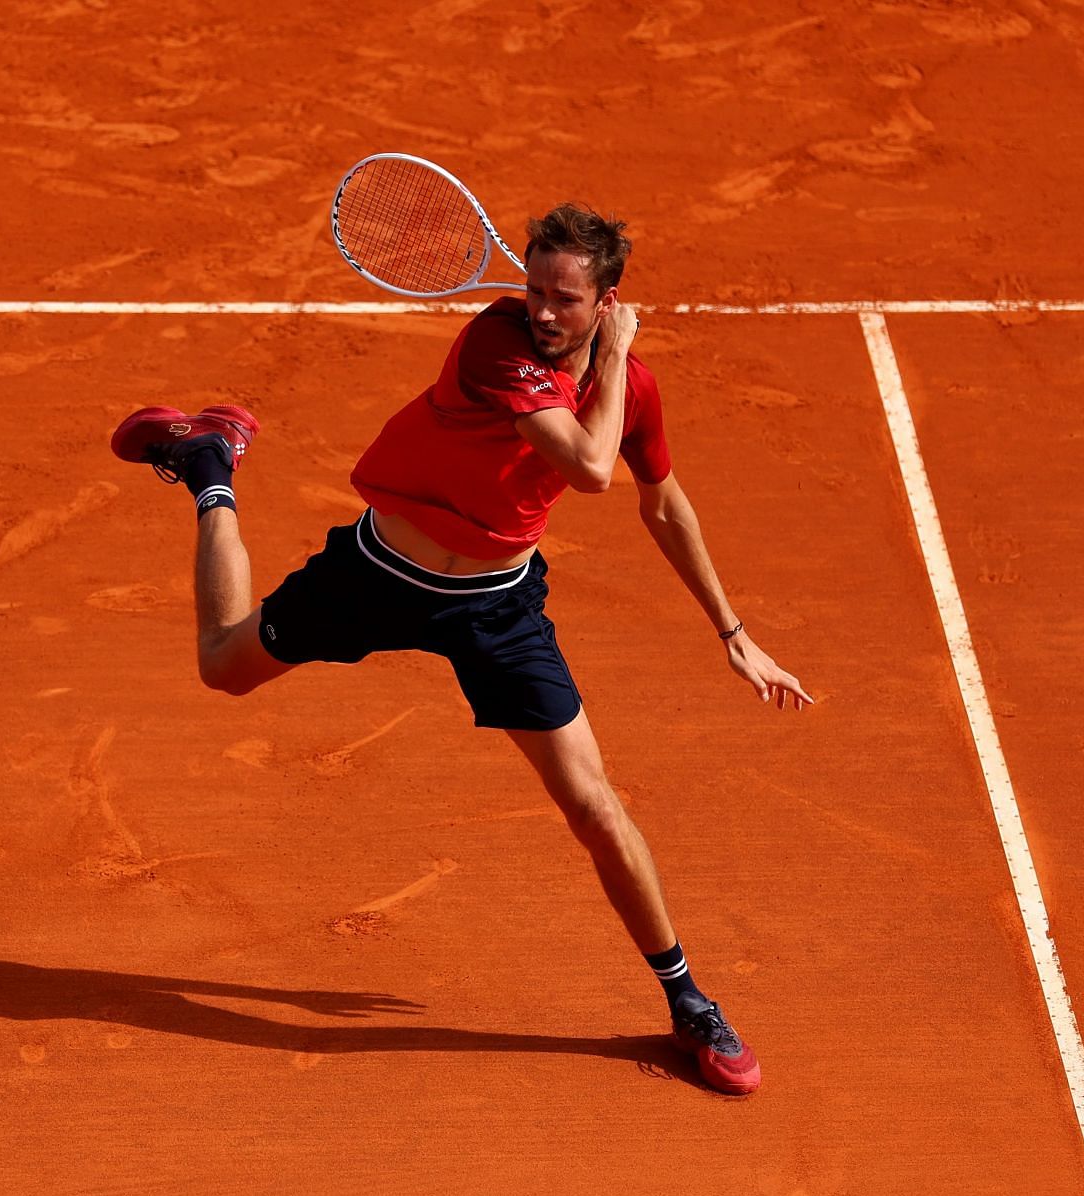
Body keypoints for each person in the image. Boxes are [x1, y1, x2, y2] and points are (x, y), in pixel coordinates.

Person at [111, 204, 812, 1095]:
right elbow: (591, 471)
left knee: (595, 807)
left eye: (566, 298)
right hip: (379, 572)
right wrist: (611, 361)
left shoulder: (632, 389)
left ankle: (688, 1003)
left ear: (608, 299)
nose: (545, 312)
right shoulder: (496, 343)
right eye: (535, 290)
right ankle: (212, 470)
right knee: (223, 667)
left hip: (495, 608)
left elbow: (663, 504)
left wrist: (733, 631)